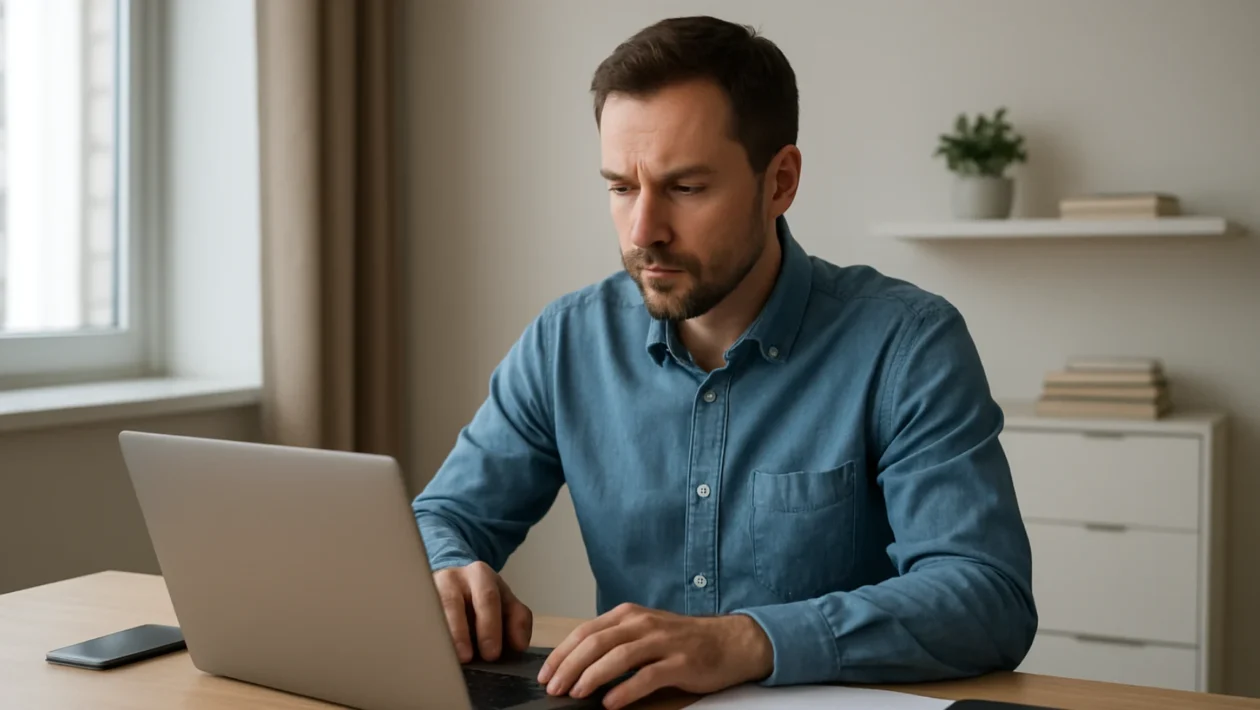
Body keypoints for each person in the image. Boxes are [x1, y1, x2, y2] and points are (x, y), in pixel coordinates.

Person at [411, 14, 1036, 710]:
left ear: (781, 182)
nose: (643, 231)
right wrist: (447, 569)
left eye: (685, 188)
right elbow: (443, 516)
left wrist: (745, 641)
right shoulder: (565, 343)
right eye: (621, 187)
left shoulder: (907, 343)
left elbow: (987, 595)